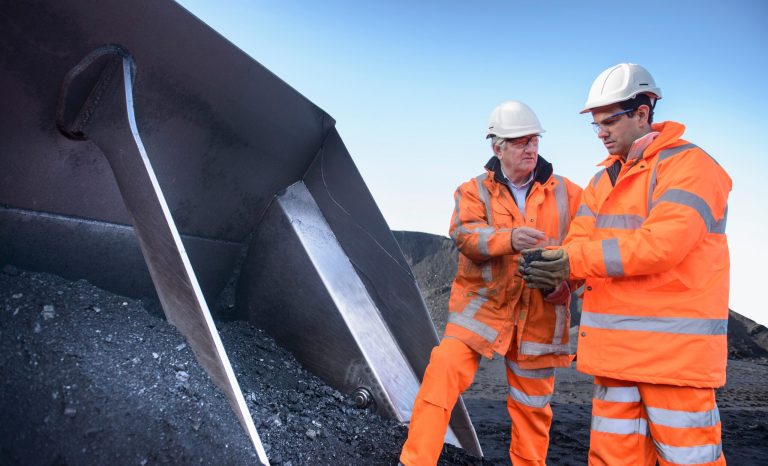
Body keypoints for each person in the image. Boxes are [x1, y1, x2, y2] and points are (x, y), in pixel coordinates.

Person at [520, 63, 731, 465]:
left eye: (610, 121)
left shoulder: (692, 167)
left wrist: (570, 260)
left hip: (672, 360)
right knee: (611, 459)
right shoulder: (602, 182)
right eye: (596, 124)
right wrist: (556, 281)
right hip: (616, 358)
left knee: (691, 459)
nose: (601, 131)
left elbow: (662, 246)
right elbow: (579, 248)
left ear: (642, 113)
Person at [399, 101, 582, 465]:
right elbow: (465, 235)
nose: (530, 148)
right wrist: (510, 239)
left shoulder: (570, 194)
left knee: (533, 410)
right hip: (482, 311)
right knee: (442, 374)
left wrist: (566, 284)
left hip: (539, 318)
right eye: (520, 142)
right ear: (497, 147)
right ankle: (415, 461)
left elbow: (584, 248)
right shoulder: (473, 191)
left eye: (533, 140)